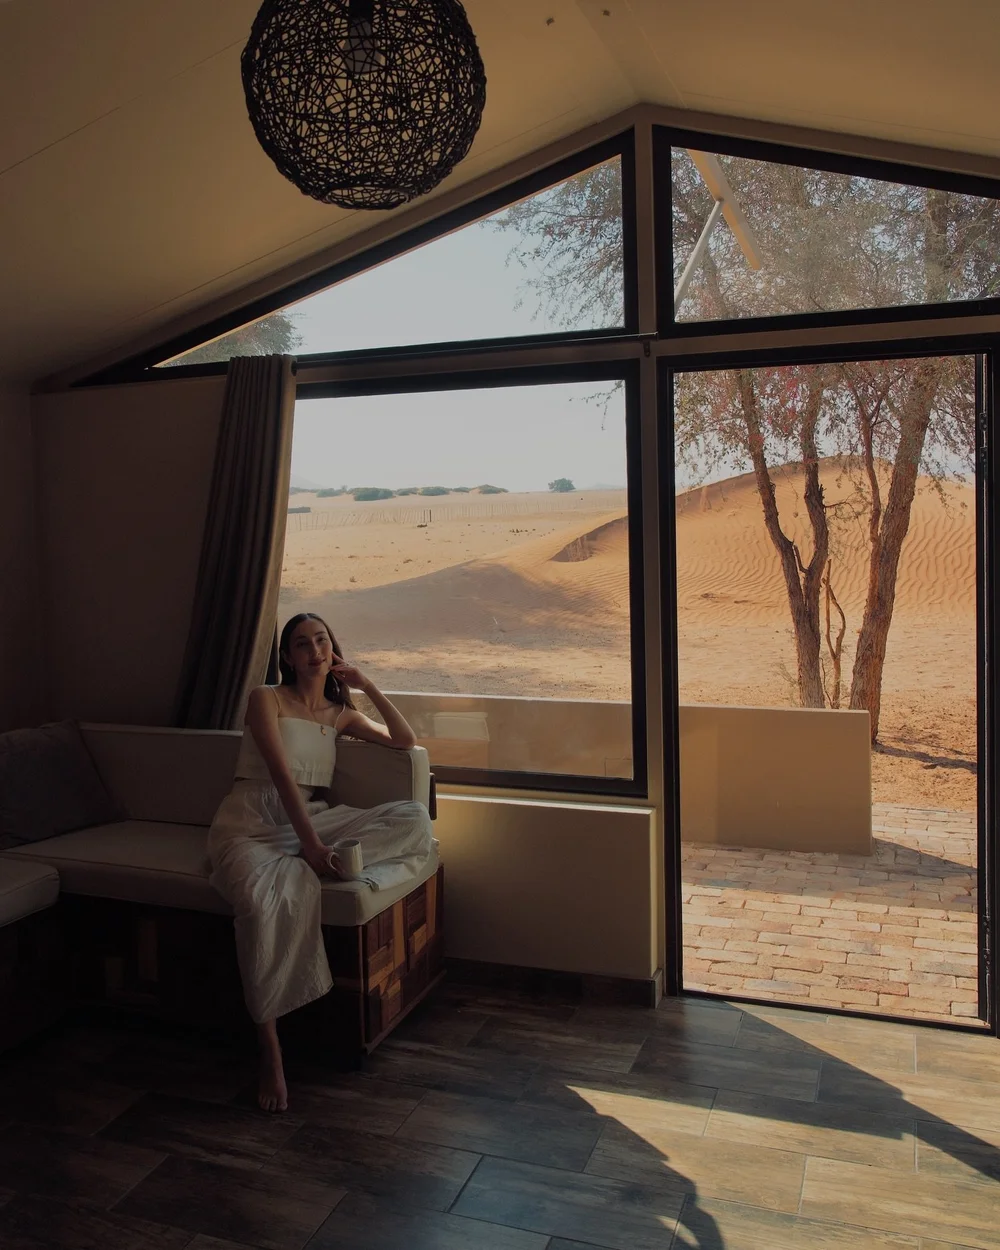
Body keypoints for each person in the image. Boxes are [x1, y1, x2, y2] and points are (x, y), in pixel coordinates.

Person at [207, 612, 436, 1112]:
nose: (314, 651)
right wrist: (310, 846)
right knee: (257, 904)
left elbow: (405, 740)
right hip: (253, 818)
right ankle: (270, 1050)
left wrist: (367, 683)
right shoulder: (264, 698)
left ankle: (336, 865)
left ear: (333, 650)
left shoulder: (339, 714)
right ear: (287, 656)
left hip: (311, 817)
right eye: (302, 644)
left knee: (414, 818)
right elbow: (281, 775)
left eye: (322, 641)